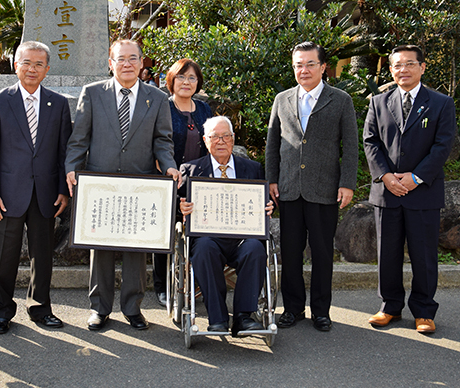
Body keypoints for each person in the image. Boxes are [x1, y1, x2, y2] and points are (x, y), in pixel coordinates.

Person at [66, 39, 180, 331]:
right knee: (100, 249)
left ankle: (133, 308)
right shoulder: (92, 93)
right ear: (110, 63)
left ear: (142, 63)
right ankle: (99, 308)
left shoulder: (156, 99)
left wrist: (168, 165)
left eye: (133, 59)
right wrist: (71, 169)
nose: (127, 64)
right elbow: (80, 137)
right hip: (99, 183)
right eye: (120, 59)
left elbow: (162, 140)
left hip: (138, 184)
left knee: (135, 250)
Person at [0, 41, 72, 334]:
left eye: (38, 64)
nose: (32, 69)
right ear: (15, 65)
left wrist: (62, 190)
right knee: (3, 255)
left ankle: (40, 308)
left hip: (45, 194)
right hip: (7, 193)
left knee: (42, 255)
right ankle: (2, 310)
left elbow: (63, 152)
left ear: (47, 69)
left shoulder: (57, 103)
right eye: (26, 63)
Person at [265, 41, 358, 332]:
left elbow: (351, 146)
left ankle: (321, 311)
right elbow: (272, 144)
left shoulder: (340, 99)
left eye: (309, 64)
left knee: (321, 253)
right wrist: (272, 179)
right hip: (289, 189)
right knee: (290, 254)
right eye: (298, 65)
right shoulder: (282, 99)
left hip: (325, 188)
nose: (303, 70)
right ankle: (292, 308)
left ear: (322, 67)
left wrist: (347, 184)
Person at [363, 45, 456, 334]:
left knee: (424, 254)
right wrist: (386, 177)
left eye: (409, 64)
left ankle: (424, 311)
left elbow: (443, 146)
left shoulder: (441, 103)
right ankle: (389, 306)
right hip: (387, 191)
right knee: (387, 253)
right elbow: (370, 141)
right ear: (391, 70)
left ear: (422, 67)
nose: (403, 70)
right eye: (397, 65)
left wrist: (415, 178)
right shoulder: (379, 102)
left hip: (423, 191)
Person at [179, 116, 274, 336]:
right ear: (205, 140)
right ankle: (218, 318)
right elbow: (178, 203)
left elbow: (265, 201)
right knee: (203, 249)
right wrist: (182, 208)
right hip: (208, 237)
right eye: (215, 137)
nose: (221, 141)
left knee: (256, 249)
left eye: (226, 136)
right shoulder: (191, 169)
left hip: (243, 237)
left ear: (233, 139)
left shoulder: (252, 168)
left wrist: (269, 207)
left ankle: (243, 316)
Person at [152, 58, 212, 307]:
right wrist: (167, 171)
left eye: (192, 78)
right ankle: (162, 287)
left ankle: (194, 284)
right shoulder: (161, 106)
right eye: (181, 77)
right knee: (165, 235)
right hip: (166, 179)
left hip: (198, 182)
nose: (186, 82)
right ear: (171, 80)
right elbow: (154, 142)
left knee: (197, 233)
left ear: (197, 83)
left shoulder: (204, 109)